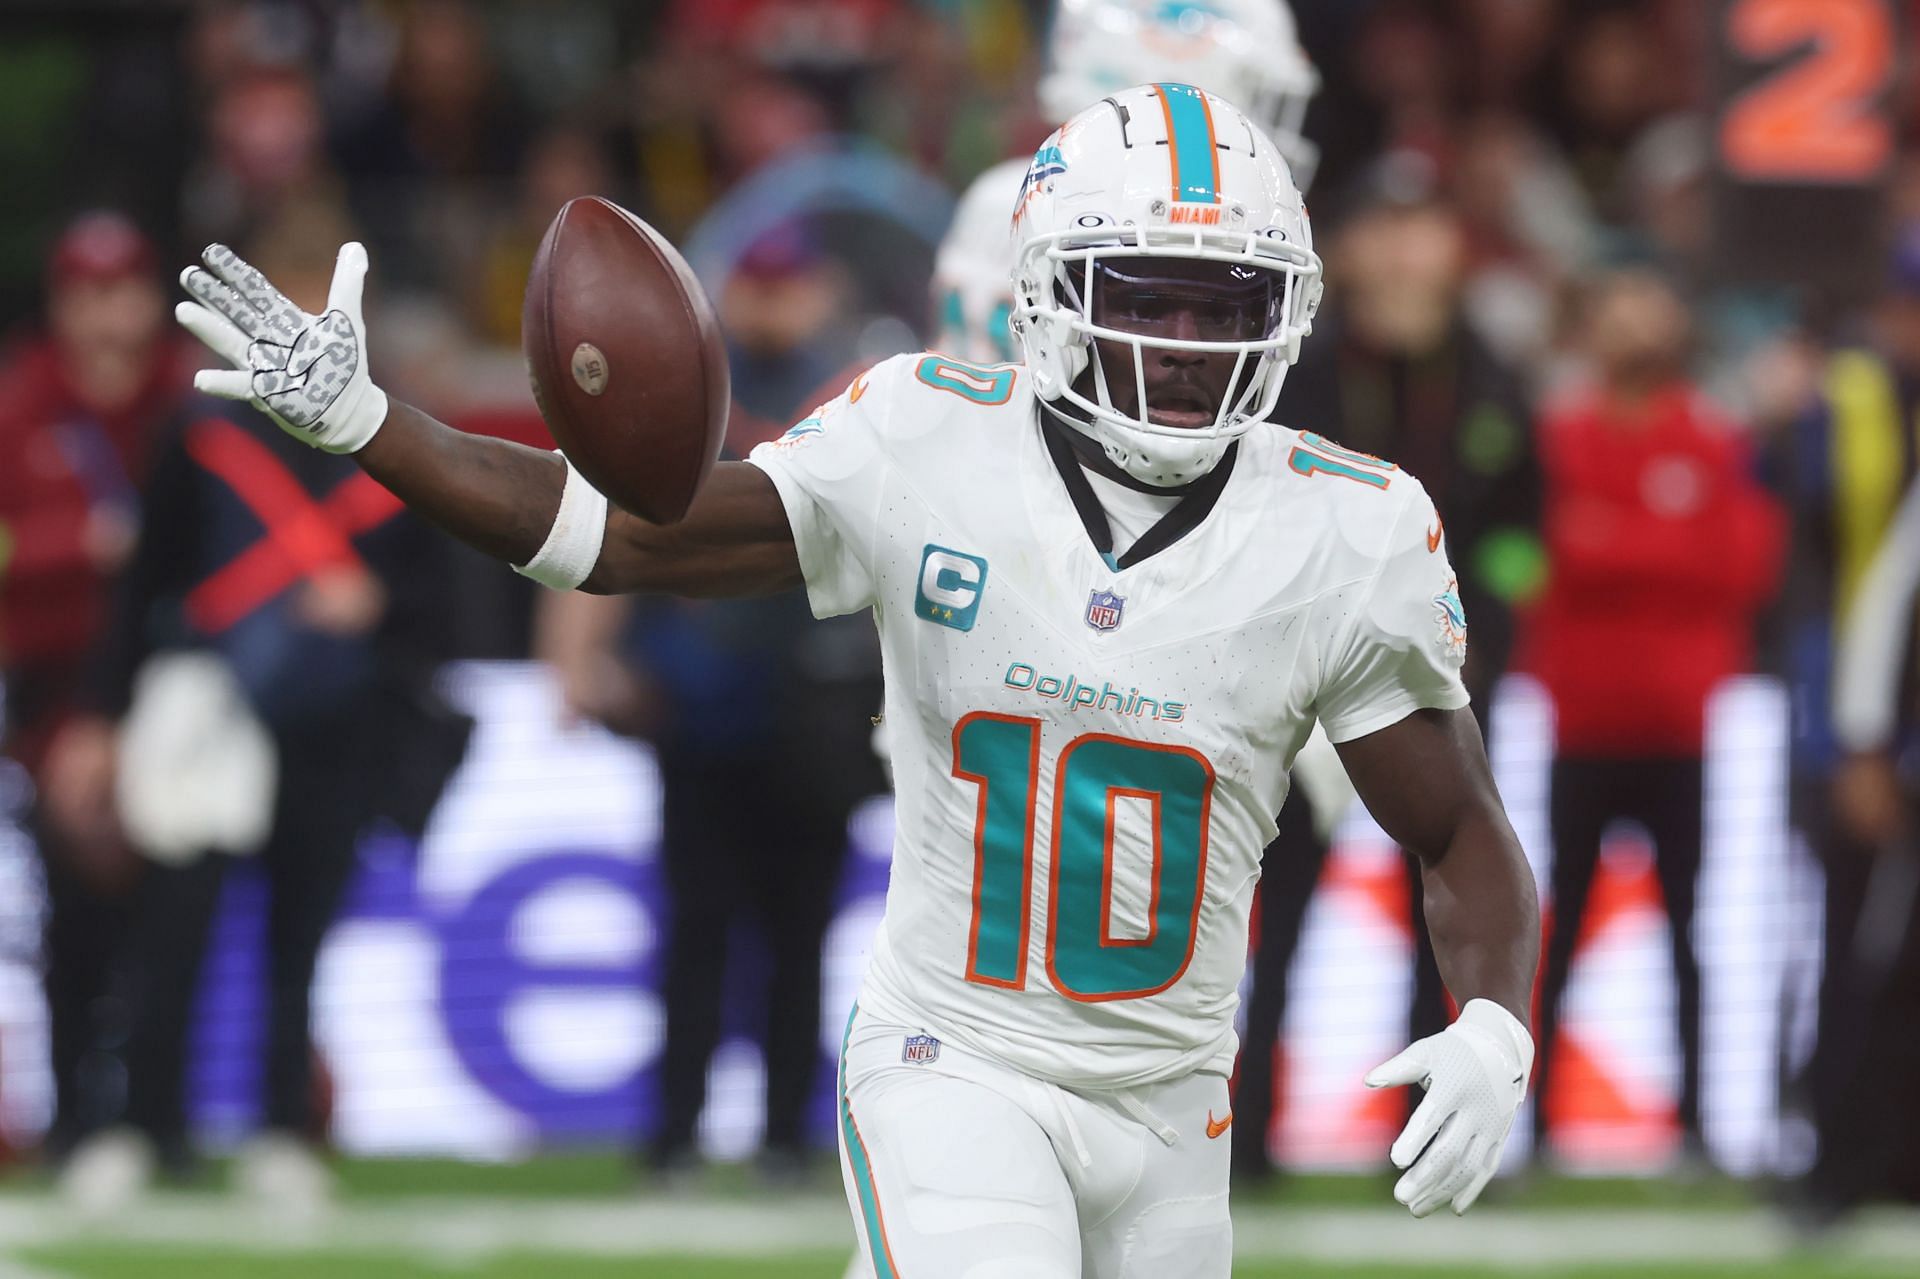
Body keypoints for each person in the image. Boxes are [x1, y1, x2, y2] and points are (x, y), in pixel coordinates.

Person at [176, 85, 1539, 1273]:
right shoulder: (926, 441)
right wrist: (375, 424)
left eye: (1224, 302)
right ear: (1054, 296)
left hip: (1180, 1096)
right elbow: (625, 537)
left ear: (1287, 314)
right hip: (960, 1058)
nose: (1187, 340)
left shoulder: (1347, 532)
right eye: (1146, 296)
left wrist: (1493, 1024)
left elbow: (1458, 825)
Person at [1522, 268, 1784, 1168]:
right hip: (1582, 725)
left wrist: (1610, 542)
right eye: (1618, 305)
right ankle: (1541, 1124)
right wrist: (1657, 547)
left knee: (1685, 928)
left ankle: (1701, 1126)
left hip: (1679, 731)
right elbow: (1537, 555)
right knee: (1556, 930)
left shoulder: (1711, 438)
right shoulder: (1558, 437)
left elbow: (1744, 564)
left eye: (1649, 304)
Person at [0, 210, 196, 1165]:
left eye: (125, 291)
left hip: (175, 692)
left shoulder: (188, 400)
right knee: (71, 915)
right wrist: (68, 548)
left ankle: (163, 1119)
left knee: (178, 913)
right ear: (61, 303)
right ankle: (76, 1115)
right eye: (90, 293)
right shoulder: (19, 405)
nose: (110, 316)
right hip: (52, 693)